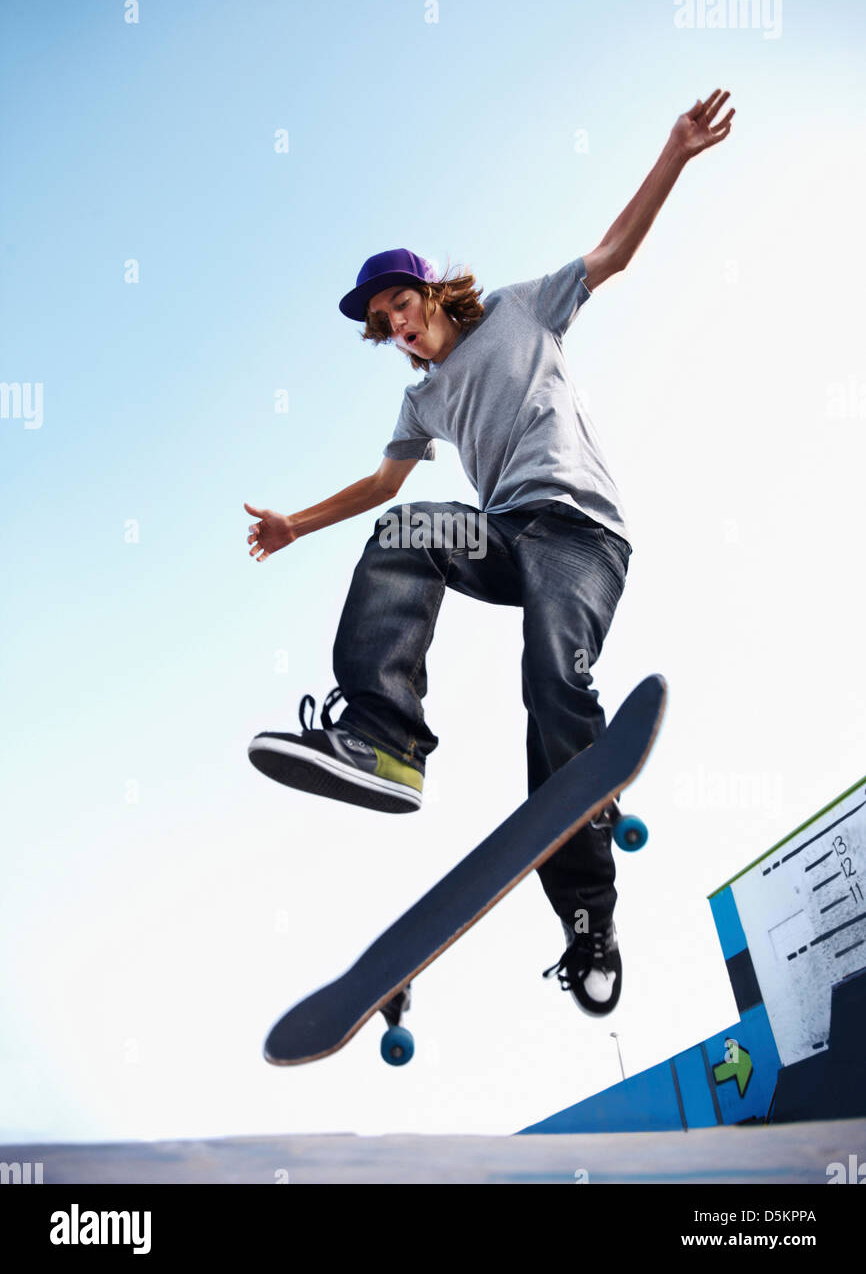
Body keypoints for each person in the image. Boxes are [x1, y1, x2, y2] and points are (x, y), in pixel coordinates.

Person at [244, 90, 735, 1016]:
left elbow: (615, 253)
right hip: (506, 536)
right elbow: (383, 490)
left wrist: (674, 151)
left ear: (432, 294)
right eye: (382, 320)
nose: (396, 324)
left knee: (553, 690)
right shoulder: (419, 404)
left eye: (402, 304)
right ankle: (385, 739)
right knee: (409, 529)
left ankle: (589, 914)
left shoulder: (521, 309)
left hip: (582, 533)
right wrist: (295, 526)